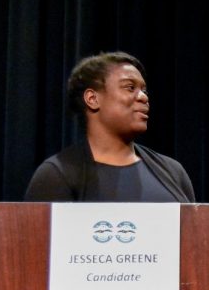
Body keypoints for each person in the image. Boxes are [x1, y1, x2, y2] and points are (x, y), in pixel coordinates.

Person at [24, 51, 195, 202]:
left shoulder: (173, 172)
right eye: (130, 87)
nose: (143, 97)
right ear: (92, 99)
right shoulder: (57, 174)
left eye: (144, 90)